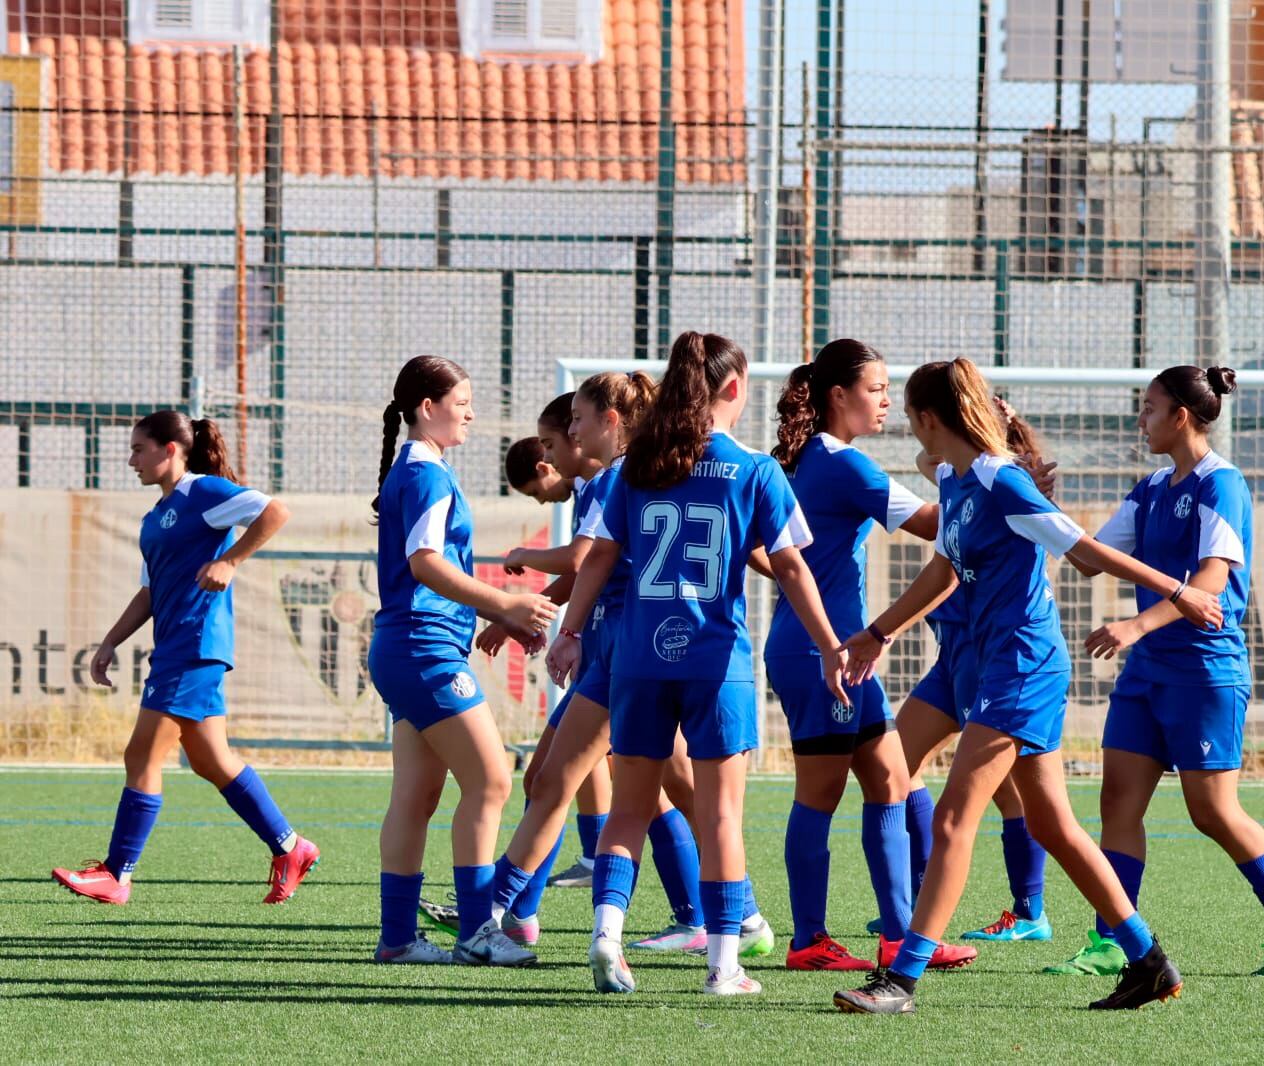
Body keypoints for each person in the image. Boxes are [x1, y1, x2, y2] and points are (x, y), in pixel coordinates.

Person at [832, 358, 1222, 1015]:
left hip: (1024, 667)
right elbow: (946, 571)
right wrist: (879, 631)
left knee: (957, 815)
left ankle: (900, 980)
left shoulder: (1000, 480)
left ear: (929, 418)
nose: (907, 428)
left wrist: (1178, 590)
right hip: (996, 666)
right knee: (1055, 825)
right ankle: (1150, 962)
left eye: (909, 416)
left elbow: (1086, 553)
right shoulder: (956, 480)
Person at [548, 330, 846, 996]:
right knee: (719, 819)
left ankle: (606, 936)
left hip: (638, 660)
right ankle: (723, 966)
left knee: (628, 811)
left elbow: (597, 556)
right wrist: (830, 645)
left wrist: (570, 632)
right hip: (716, 664)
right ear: (734, 389)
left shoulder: (637, 467)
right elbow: (792, 564)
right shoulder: (754, 470)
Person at [1048, 365, 1264, 980]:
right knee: (1118, 802)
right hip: (1147, 675)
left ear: (1181, 416)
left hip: (1205, 673)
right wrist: (1040, 504)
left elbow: (1211, 582)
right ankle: (1112, 942)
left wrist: (1133, 627)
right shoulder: (1152, 486)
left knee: (1213, 813)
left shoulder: (1221, 484)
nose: (1140, 419)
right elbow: (1091, 559)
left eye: (1149, 408)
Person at [52, 411, 320, 906]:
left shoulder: (203, 493)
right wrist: (111, 641)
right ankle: (291, 847)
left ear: (170, 449)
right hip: (175, 646)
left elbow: (275, 511)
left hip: (196, 644)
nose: (130, 459)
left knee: (141, 755)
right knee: (210, 759)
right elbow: (150, 590)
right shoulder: (155, 518)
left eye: (138, 449)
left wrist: (230, 560)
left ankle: (117, 874)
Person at [766, 339, 974, 973]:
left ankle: (899, 935)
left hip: (833, 650)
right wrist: (986, 483)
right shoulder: (841, 465)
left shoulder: (813, 458)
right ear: (839, 396)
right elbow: (938, 525)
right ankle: (807, 942)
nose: (887, 398)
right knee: (820, 793)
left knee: (889, 778)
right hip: (821, 651)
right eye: (877, 387)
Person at [368, 355, 558, 966]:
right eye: (463, 401)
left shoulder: (417, 468)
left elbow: (423, 572)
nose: (472, 412)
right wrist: (506, 602)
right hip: (421, 649)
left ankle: (397, 939)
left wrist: (497, 615)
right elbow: (425, 564)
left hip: (411, 644)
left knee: (417, 796)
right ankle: (478, 931)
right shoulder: (424, 472)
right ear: (428, 408)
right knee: (492, 779)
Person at [894, 398, 1060, 943]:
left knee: (1010, 794)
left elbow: (1076, 546)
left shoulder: (1001, 486)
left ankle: (1029, 910)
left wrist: (1003, 430)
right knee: (895, 761)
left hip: (987, 652)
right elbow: (929, 462)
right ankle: (921, 900)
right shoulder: (956, 479)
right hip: (954, 656)